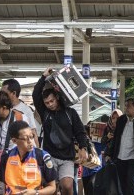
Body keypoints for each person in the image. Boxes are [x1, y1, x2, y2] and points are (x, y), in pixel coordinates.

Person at [32, 67, 88, 195]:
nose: (50, 104)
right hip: (49, 155)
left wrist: (83, 147)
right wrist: (43, 76)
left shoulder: (70, 113)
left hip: (67, 157)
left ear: (57, 97)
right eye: (46, 103)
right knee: (51, 188)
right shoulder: (44, 112)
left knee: (67, 186)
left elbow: (80, 131)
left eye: (52, 101)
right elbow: (35, 94)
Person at [105, 97, 134, 195]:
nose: (126, 108)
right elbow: (116, 139)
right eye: (125, 106)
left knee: (130, 182)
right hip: (119, 157)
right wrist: (109, 153)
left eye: (129, 106)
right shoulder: (121, 120)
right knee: (121, 183)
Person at [0, 120, 57, 195]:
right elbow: (4, 186)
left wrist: (36, 192)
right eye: (25, 138)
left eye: (31, 136)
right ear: (14, 140)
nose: (30, 141)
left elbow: (52, 187)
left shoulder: (42, 156)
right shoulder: (6, 157)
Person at [2, 78, 40, 147]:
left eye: (5, 94)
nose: (2, 96)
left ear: (14, 93)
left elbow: (33, 133)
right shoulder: (2, 108)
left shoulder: (26, 110)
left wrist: (37, 153)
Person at [82, 125, 104, 195]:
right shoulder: (82, 145)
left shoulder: (97, 142)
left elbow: (103, 148)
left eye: (85, 133)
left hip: (96, 172)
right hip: (85, 174)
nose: (85, 136)